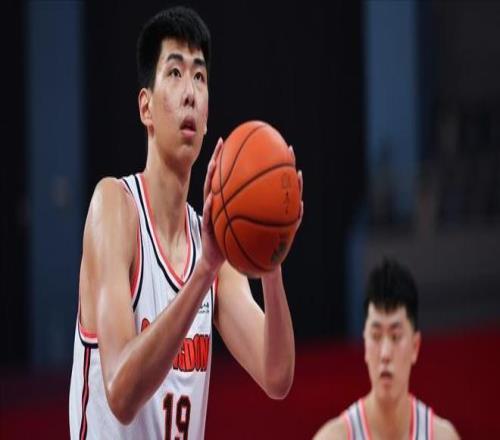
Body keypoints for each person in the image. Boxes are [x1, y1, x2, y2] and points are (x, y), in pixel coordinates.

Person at [69, 6, 303, 439]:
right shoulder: (114, 209)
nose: (190, 92)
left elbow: (277, 376)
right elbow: (120, 392)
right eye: (175, 73)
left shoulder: (210, 241)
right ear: (146, 107)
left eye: (199, 77)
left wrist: (271, 257)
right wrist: (204, 272)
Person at [314, 258, 459, 440]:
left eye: (395, 336)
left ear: (415, 346)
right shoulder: (333, 437)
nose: (385, 353)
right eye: (376, 336)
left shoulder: (442, 436)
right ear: (365, 344)